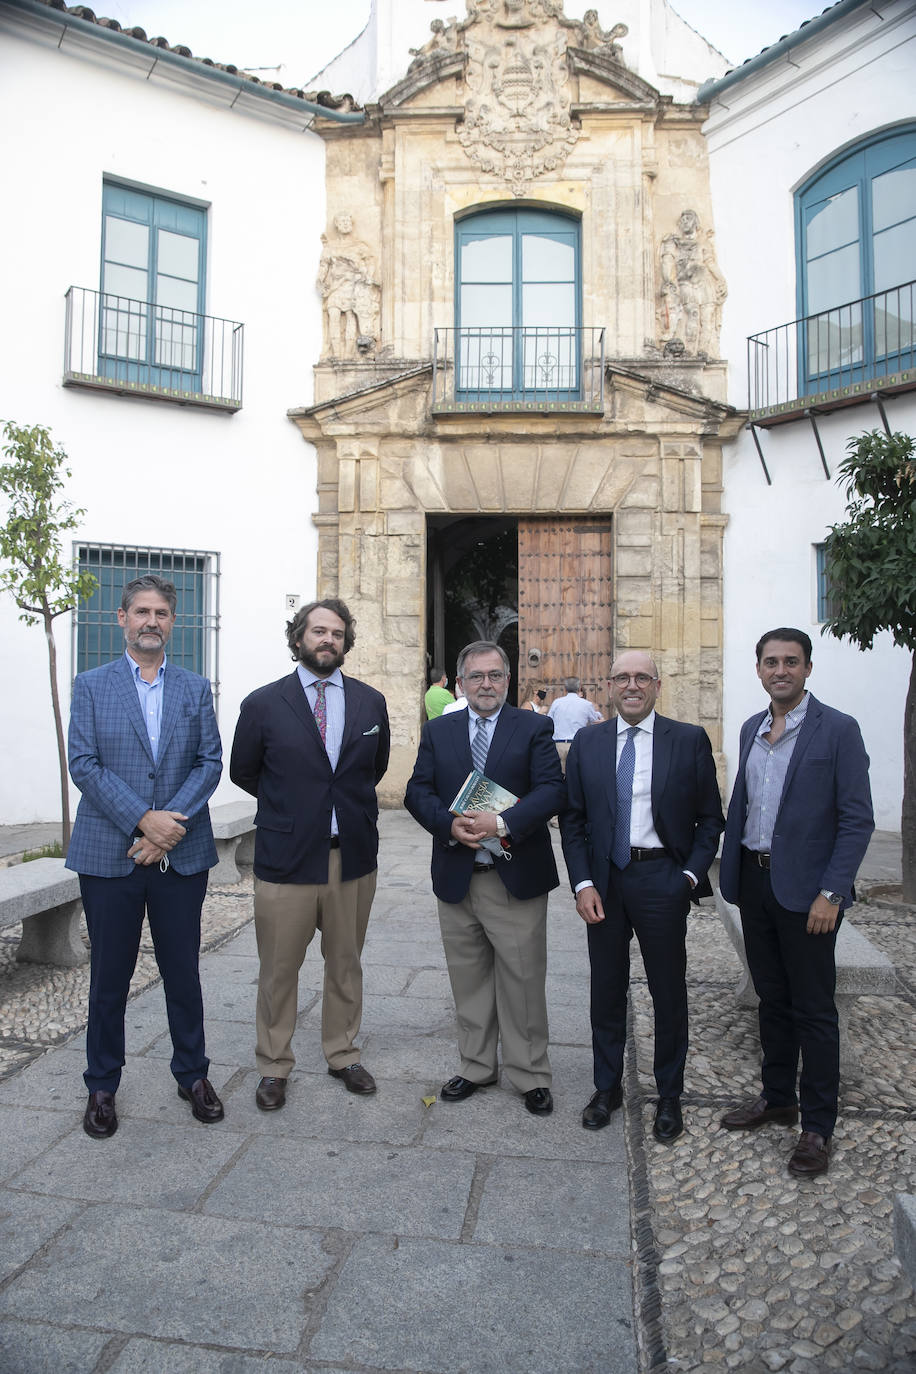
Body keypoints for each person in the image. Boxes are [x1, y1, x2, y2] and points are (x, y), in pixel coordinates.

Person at [66, 574, 224, 1139]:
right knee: (110, 975)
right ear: (122, 619)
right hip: (109, 856)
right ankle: (102, 1085)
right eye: (141, 612)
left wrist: (165, 829)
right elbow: (83, 762)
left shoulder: (193, 687)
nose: (151, 621)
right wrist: (142, 818)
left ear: (173, 622)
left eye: (161, 612)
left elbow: (210, 763)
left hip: (179, 856)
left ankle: (193, 1075)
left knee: (183, 970)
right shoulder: (91, 684)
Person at [718, 628, 874, 1177]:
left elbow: (856, 820)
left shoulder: (838, 730)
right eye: (770, 662)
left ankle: (817, 1127)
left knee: (813, 1010)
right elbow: (747, 803)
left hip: (810, 894)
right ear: (757, 669)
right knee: (772, 999)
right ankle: (778, 1096)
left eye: (791, 662)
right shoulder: (750, 729)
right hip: (757, 887)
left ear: (808, 669)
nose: (780, 670)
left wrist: (832, 891)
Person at [230, 599, 390, 1111]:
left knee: (345, 963)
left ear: (346, 642)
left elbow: (373, 767)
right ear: (298, 638)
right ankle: (273, 1065)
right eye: (318, 631)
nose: (328, 640)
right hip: (287, 857)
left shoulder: (370, 703)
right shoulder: (263, 703)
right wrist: (293, 806)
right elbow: (244, 771)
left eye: (337, 633)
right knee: (279, 967)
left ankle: (342, 1053)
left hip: (352, 857)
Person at [560, 650, 724, 1142]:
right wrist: (583, 882)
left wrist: (690, 877)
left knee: (667, 990)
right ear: (609, 686)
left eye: (641, 677)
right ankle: (606, 1087)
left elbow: (710, 819)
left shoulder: (689, 739)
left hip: (662, 880)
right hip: (605, 882)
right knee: (606, 990)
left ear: (657, 685)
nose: (631, 685)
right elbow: (573, 819)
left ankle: (669, 1094)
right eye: (622, 677)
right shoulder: (587, 743)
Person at [405, 640, 566, 1115]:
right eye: (476, 676)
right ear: (461, 683)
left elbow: (552, 790)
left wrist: (501, 823)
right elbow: (417, 789)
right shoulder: (439, 731)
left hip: (513, 874)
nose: (487, 684)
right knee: (468, 977)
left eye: (495, 675)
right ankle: (476, 1065)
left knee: (522, 977)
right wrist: (447, 823)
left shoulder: (534, 726)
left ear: (508, 680)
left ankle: (529, 1072)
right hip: (458, 873)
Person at [548, 676, 601, 773]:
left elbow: (549, 721)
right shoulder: (586, 704)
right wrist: (598, 714)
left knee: (558, 776)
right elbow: (596, 721)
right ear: (579, 688)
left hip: (558, 745)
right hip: (577, 745)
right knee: (576, 776)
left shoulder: (557, 703)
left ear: (565, 688)